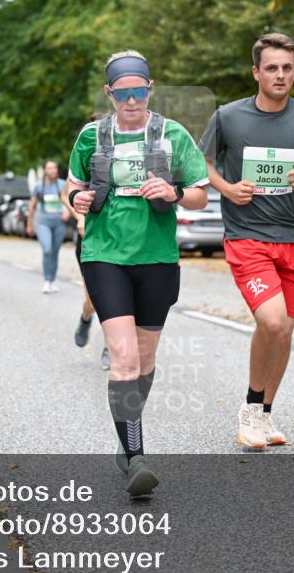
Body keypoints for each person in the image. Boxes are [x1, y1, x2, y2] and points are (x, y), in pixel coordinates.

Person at [199, 32, 294, 449]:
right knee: (269, 320)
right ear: (256, 72)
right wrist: (227, 189)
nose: (280, 75)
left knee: (284, 330)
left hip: (293, 238)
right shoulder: (228, 117)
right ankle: (249, 409)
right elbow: (202, 164)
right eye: (271, 68)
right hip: (247, 236)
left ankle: (265, 415)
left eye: (287, 68)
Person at [67, 50, 209, 496]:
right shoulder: (91, 136)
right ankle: (137, 458)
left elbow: (201, 195)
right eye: (122, 93)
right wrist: (78, 201)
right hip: (105, 255)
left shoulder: (173, 135)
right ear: (110, 94)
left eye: (138, 91)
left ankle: (125, 439)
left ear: (151, 89)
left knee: (145, 363)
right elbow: (72, 186)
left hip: (158, 259)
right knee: (124, 358)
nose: (131, 101)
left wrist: (174, 191)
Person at [71, 209, 111, 371]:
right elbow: (66, 194)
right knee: (94, 302)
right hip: (91, 236)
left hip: (121, 239)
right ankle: (86, 317)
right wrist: (80, 218)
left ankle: (110, 348)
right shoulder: (81, 181)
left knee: (113, 301)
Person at [27, 160, 69, 293]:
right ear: (45, 170)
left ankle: (52, 281)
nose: (53, 171)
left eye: (55, 168)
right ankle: (46, 280)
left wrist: (67, 212)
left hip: (59, 222)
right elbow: (32, 206)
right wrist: (29, 224)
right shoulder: (39, 187)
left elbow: (69, 200)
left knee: (55, 252)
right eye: (50, 168)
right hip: (43, 221)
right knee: (47, 249)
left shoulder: (62, 185)